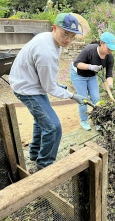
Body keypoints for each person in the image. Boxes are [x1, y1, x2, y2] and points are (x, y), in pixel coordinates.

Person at [9, 13, 87, 171]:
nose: (68, 40)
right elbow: (49, 88)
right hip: (27, 89)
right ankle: (44, 166)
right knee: (53, 126)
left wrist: (56, 83)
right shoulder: (46, 51)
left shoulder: (50, 39)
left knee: (41, 120)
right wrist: (72, 95)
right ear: (54, 28)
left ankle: (34, 153)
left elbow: (47, 79)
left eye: (72, 37)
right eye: (65, 34)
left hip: (32, 81)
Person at [70, 32, 115, 131]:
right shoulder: (90, 50)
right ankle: (83, 120)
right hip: (79, 75)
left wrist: (110, 85)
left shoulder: (109, 57)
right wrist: (90, 67)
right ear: (101, 43)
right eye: (109, 47)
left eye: (112, 48)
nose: (110, 50)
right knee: (83, 99)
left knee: (96, 98)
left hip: (92, 76)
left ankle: (98, 121)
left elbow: (109, 74)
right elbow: (76, 63)